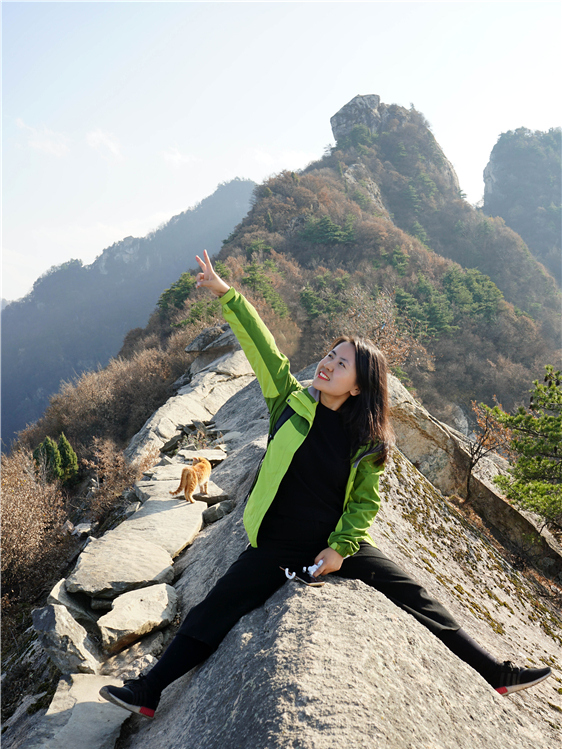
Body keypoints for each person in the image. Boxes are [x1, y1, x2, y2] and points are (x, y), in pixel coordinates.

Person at [100, 250, 551, 718]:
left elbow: (363, 504)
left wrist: (339, 550)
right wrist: (227, 294)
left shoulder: (368, 442)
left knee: (415, 595)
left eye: (341, 365)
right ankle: (149, 690)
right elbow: (263, 347)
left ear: (359, 386)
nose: (327, 365)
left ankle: (496, 673)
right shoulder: (288, 403)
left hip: (331, 544)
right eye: (329, 356)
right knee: (217, 607)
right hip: (276, 542)